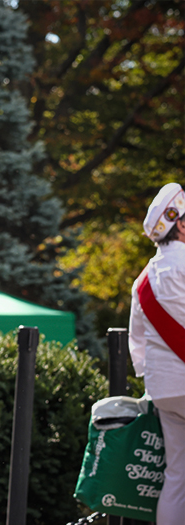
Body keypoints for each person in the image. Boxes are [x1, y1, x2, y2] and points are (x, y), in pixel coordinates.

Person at [129, 182, 185, 525]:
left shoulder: (144, 279)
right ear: (180, 223)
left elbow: (137, 339)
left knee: (177, 476)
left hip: (165, 388)